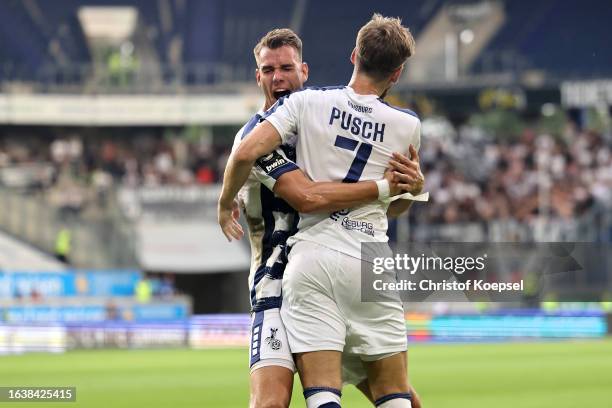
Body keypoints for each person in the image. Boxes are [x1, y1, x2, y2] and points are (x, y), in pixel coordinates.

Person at [219, 14, 423, 408]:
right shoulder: (259, 136)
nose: (277, 77)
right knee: (270, 405)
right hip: (276, 284)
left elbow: (388, 210)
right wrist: (224, 200)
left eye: (286, 68)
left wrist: (413, 188)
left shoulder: (314, 118)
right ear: (257, 76)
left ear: (303, 71)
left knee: (402, 399)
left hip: (322, 270)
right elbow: (306, 197)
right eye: (268, 70)